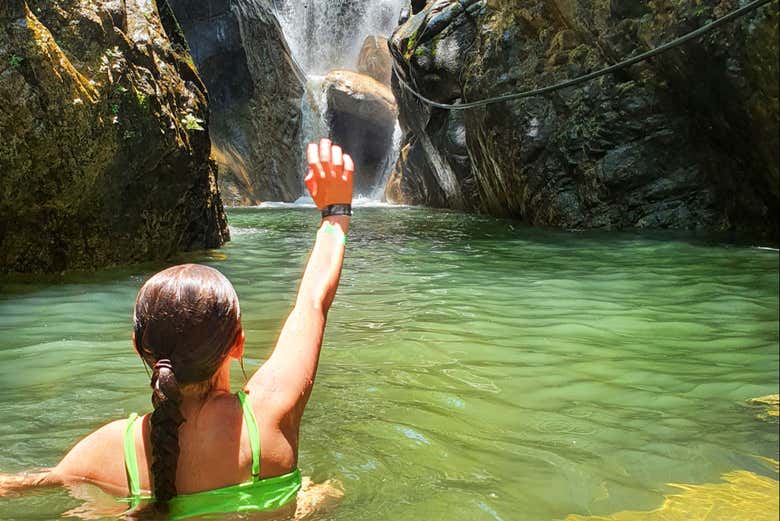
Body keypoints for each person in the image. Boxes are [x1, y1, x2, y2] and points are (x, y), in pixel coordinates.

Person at [0, 139, 354, 519]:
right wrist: (336, 212)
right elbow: (312, 302)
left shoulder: (106, 450)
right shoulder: (270, 414)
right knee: (324, 492)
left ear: (139, 346)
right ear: (238, 343)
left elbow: (25, 485)